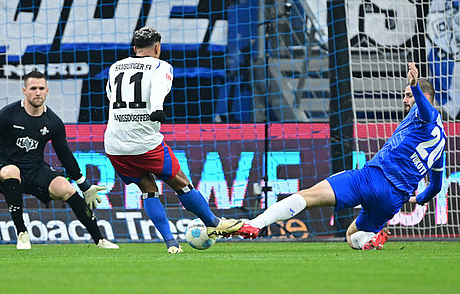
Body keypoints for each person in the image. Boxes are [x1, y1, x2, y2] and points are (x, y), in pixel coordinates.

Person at [247, 63, 446, 250]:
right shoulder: (441, 144)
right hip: (393, 200)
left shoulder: (425, 114)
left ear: (424, 97)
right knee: (351, 236)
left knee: (308, 196)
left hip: (372, 178)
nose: (404, 100)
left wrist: (415, 87)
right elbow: (435, 186)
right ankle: (370, 238)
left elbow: (427, 112)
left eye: (408, 95)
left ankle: (255, 224)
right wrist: (419, 199)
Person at [104, 27, 258, 254]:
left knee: (147, 189)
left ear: (135, 49)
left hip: (114, 144)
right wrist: (157, 109)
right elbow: (158, 90)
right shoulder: (161, 66)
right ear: (158, 47)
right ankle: (213, 223)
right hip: (145, 142)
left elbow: (110, 94)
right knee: (181, 183)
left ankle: (171, 244)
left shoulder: (116, 67)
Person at [0, 70, 118, 250]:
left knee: (66, 188)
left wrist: (84, 185)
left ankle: (99, 239)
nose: (37, 92)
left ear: (47, 90)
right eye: (33, 88)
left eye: (40, 88)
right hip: (7, 168)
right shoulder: (8, 113)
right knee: (11, 171)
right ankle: (22, 233)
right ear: (24, 90)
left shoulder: (53, 121)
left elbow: (65, 156)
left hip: (36, 170)